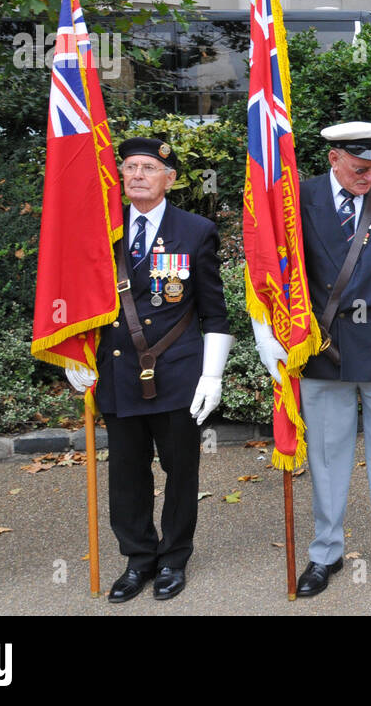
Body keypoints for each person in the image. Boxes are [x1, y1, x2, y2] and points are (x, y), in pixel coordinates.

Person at [259, 122, 371, 598]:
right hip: (323, 349)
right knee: (327, 458)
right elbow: (271, 264)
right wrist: (268, 332)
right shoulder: (296, 199)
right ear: (334, 158)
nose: (368, 176)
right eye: (360, 167)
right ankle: (325, 552)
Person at [66, 137, 233, 602]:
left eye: (148, 168)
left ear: (170, 179)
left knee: (181, 471)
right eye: (130, 167)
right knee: (126, 473)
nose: (137, 174)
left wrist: (212, 375)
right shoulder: (101, 229)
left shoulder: (195, 230)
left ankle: (174, 558)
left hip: (178, 372)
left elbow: (214, 313)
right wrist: (73, 354)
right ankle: (138, 559)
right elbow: (79, 301)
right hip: (118, 371)